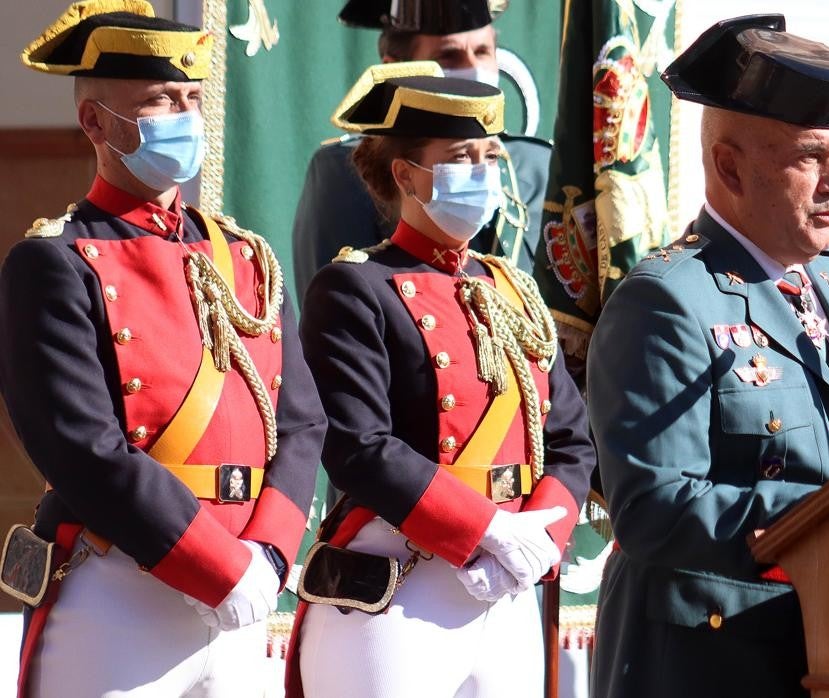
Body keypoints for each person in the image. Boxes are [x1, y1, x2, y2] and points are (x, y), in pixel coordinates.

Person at [588, 15, 829, 698]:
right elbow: (654, 506)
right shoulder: (667, 300)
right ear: (729, 166)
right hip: (715, 660)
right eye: (808, 158)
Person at [0, 2, 326, 696]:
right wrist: (218, 566)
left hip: (248, 582)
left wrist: (266, 554)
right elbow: (83, 447)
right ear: (95, 123)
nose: (182, 116)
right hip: (122, 585)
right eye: (158, 102)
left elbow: (301, 422)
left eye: (190, 99)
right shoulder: (55, 261)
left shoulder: (246, 256)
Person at [289, 63, 594, 698]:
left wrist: (537, 534)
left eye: (489, 156)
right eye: (461, 157)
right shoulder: (355, 287)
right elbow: (358, 446)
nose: (482, 174)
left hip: (508, 584)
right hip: (400, 580)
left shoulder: (510, 288)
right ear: (405, 174)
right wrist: (486, 530)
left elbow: (570, 439)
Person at [292, 0, 551, 302]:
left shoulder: (539, 165)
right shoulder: (345, 171)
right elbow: (337, 306)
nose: (475, 70)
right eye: (449, 56)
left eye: (483, 52)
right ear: (396, 69)